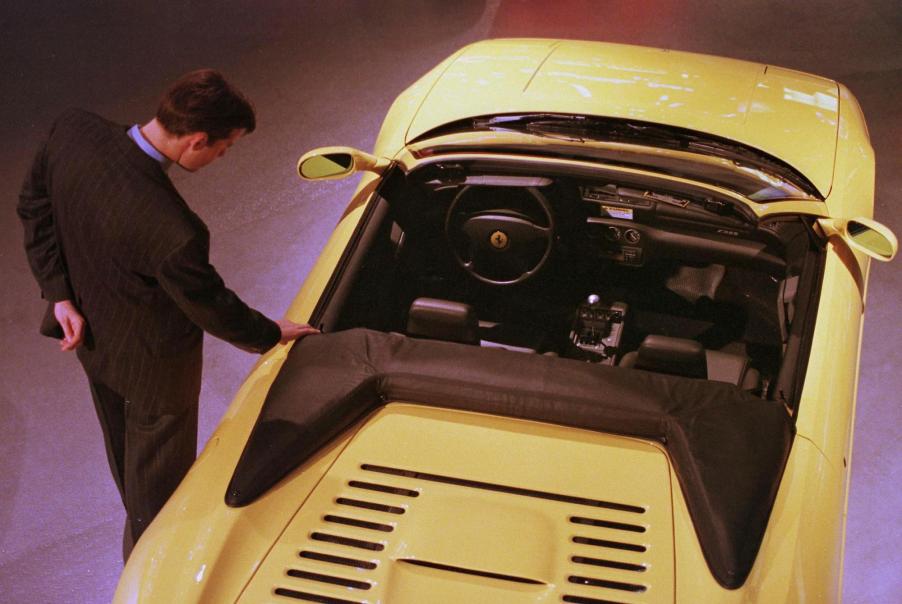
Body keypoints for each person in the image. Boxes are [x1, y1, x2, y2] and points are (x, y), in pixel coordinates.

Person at [16, 69, 318, 559]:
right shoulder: (173, 231)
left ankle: (139, 538)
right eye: (225, 147)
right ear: (197, 139)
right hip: (157, 375)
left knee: (127, 467)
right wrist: (271, 332)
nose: (224, 156)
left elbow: (34, 205)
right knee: (159, 494)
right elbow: (211, 307)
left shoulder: (73, 130)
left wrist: (61, 295)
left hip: (96, 346)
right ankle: (151, 571)